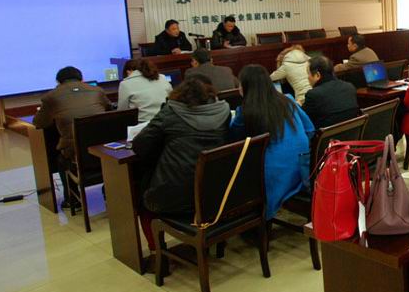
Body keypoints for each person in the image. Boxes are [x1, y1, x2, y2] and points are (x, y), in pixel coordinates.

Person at [132, 76, 231, 252]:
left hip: (176, 198)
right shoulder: (223, 111)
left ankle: (157, 252)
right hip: (215, 195)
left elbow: (140, 145)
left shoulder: (170, 112)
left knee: (140, 197)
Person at [230, 65, 315, 218]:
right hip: (302, 171)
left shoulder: (246, 111)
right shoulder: (288, 100)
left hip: (274, 178)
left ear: (246, 87)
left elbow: (233, 138)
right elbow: (310, 129)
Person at [33, 66, 112, 209]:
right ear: (81, 79)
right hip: (103, 149)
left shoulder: (51, 97)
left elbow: (39, 123)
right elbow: (109, 109)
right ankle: (109, 189)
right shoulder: (97, 91)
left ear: (58, 82)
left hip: (77, 153)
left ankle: (72, 199)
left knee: (60, 158)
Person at [302, 56, 359, 129]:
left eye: (308, 74)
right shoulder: (350, 87)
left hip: (326, 136)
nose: (308, 77)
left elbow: (302, 119)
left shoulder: (314, 95)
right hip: (352, 133)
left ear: (317, 75)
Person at [117, 59, 172, 123]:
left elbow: (122, 111)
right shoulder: (162, 77)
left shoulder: (125, 84)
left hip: (142, 124)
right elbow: (172, 98)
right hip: (166, 120)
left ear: (128, 71)